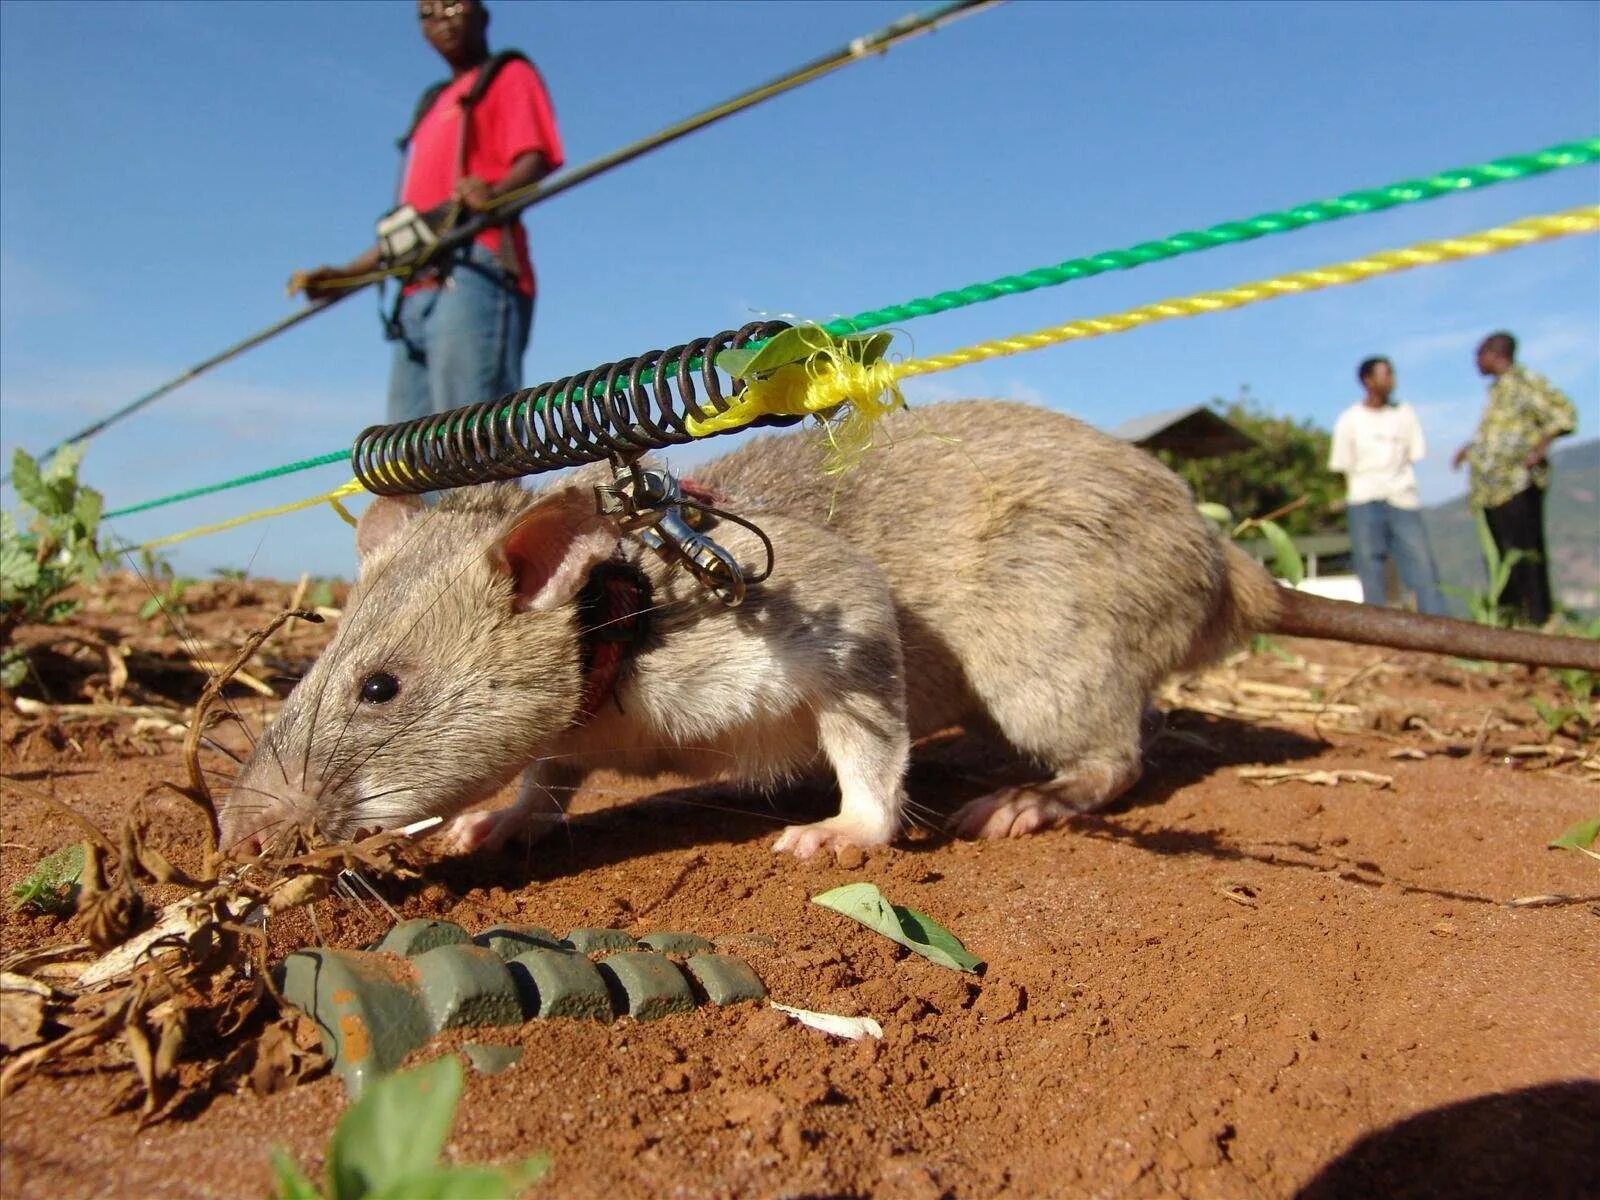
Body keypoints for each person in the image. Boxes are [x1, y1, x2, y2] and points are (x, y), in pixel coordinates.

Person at [292, 0, 564, 423]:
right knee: (407, 452)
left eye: (453, 5)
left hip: (476, 270)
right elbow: (410, 229)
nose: (442, 20)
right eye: (427, 13)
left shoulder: (507, 75)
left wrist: (492, 191)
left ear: (482, 14)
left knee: (468, 442)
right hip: (414, 289)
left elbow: (536, 159)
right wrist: (344, 276)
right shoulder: (430, 108)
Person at [1451, 331, 1577, 626]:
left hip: (1517, 484)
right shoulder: (1497, 392)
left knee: (1525, 555)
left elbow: (1565, 415)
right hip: (1492, 490)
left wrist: (1539, 449)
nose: (1476, 362)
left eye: (1479, 355)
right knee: (1502, 556)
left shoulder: (1525, 383)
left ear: (1495, 354)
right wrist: (1470, 449)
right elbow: (1500, 433)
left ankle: (1538, 620)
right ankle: (1510, 620)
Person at [1328, 356, 1447, 615]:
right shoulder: (1349, 420)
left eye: (1392, 374)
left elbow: (1415, 453)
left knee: (1421, 564)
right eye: (1385, 374)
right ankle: (1376, 631)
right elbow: (1341, 465)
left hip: (1402, 499)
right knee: (1370, 566)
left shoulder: (1404, 414)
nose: (1391, 380)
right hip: (1363, 499)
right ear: (1367, 380)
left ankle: (1439, 626)